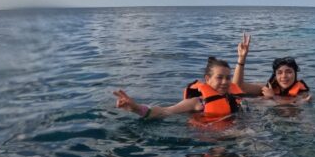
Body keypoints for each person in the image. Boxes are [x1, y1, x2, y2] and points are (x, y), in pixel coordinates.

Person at [113, 34, 264, 120]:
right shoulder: (197, 102)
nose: (225, 82)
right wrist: (136, 108)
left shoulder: (233, 96)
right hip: (214, 140)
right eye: (219, 77)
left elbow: (241, 88)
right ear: (207, 79)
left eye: (227, 78)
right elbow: (165, 111)